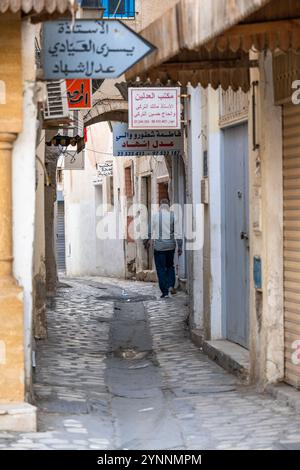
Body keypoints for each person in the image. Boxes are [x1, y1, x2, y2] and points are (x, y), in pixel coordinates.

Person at [144, 199, 183, 298]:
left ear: (160, 206)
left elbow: (149, 231)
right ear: (168, 206)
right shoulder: (173, 216)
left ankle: (164, 291)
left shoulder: (155, 216)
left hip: (159, 247)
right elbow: (178, 233)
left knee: (160, 268)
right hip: (170, 246)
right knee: (170, 266)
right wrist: (180, 246)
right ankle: (170, 285)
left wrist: (146, 241)